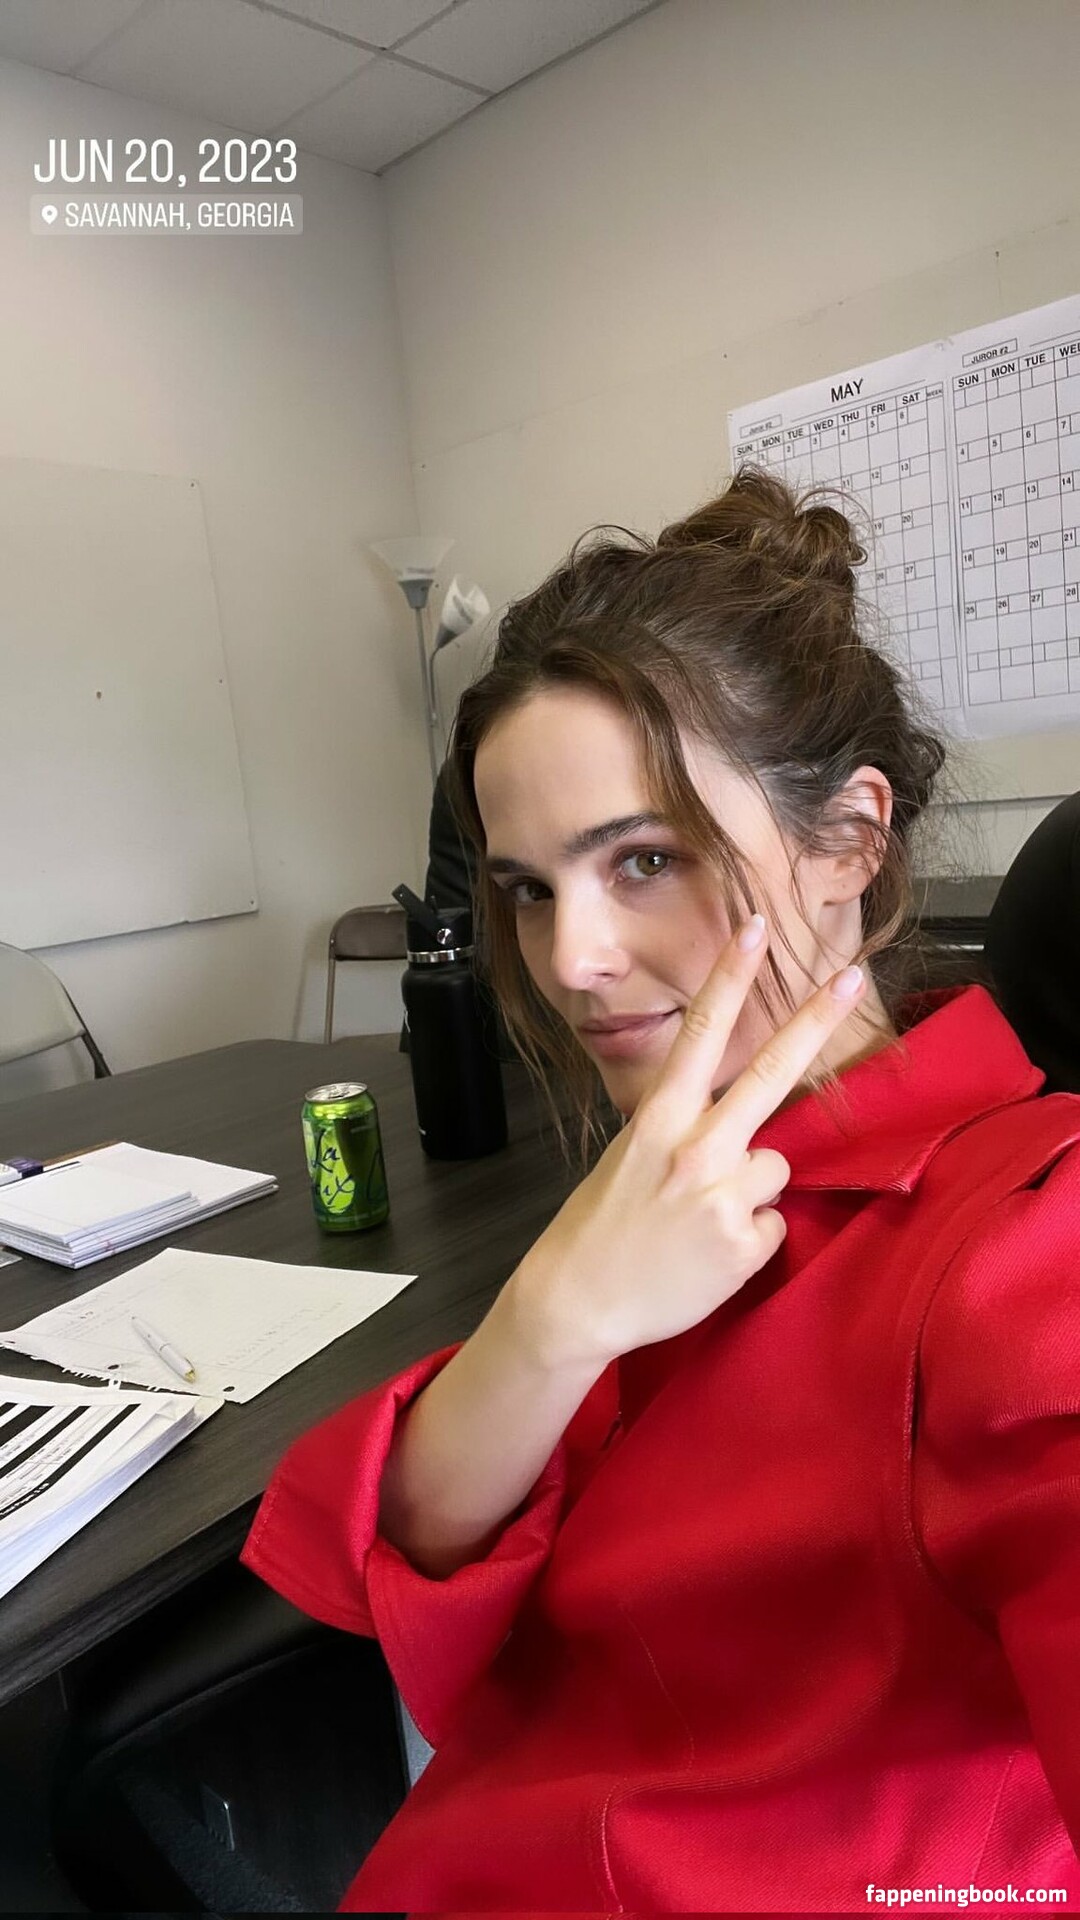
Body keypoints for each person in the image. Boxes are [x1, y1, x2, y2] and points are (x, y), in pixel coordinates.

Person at [242, 470, 1080, 1914]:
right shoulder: (674, 1182)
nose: (570, 960)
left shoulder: (1024, 1249)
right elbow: (421, 1535)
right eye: (528, 888)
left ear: (850, 840)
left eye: (644, 860)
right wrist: (553, 1321)